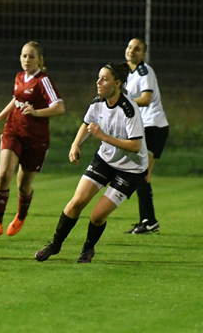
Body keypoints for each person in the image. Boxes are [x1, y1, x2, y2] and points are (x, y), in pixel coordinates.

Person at [35, 63, 148, 263]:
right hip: (105, 160)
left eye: (104, 79)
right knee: (76, 202)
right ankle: (55, 244)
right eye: (98, 77)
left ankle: (88, 248)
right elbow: (87, 123)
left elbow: (135, 146)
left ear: (117, 84)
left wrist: (103, 136)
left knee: (97, 215)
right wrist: (75, 144)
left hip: (131, 169)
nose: (98, 82)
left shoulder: (129, 108)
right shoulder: (98, 102)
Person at [0, 41, 65, 238]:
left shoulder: (43, 80)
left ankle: (21, 215)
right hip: (14, 130)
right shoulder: (19, 77)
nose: (26, 60)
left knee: (23, 184)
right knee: (4, 174)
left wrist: (36, 112)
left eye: (31, 56)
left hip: (36, 137)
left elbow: (59, 107)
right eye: (23, 56)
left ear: (40, 59)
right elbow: (16, 100)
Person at [123, 38, 169, 234]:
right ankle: (147, 220)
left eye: (137, 49)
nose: (132, 51)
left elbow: (146, 99)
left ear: (143, 54)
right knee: (140, 175)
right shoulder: (127, 73)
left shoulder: (145, 71)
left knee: (142, 174)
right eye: (130, 47)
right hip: (144, 127)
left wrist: (123, 100)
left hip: (154, 126)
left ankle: (149, 221)